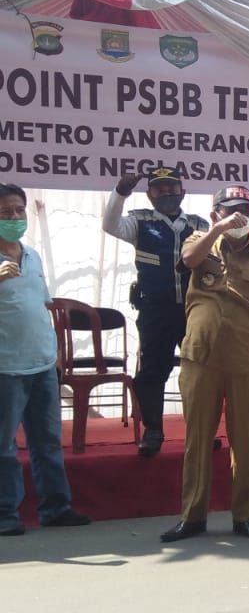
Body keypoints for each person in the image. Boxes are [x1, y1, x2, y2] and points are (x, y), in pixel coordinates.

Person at [160, 185, 249, 542]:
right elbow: (188, 260)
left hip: (246, 359)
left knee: (244, 441)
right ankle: (192, 516)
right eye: (232, 211)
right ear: (215, 213)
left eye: (247, 212)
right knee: (198, 439)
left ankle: (245, 515)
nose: (241, 218)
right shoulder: (200, 241)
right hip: (201, 357)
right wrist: (218, 230)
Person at [0, 182, 93, 536]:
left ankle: (56, 507)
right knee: (4, 446)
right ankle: (5, 513)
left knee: (47, 441)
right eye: (5, 212)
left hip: (41, 364)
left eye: (18, 211)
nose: (14, 218)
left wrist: (55, 351)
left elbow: (42, 306)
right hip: (5, 368)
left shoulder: (31, 255)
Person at [102, 167, 209, 457]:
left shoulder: (200, 224)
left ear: (183, 192)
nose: (167, 195)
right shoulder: (139, 221)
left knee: (199, 372)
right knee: (152, 370)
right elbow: (110, 226)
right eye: (160, 190)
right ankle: (153, 430)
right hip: (155, 310)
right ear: (150, 195)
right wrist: (120, 192)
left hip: (194, 310)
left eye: (172, 188)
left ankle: (201, 432)